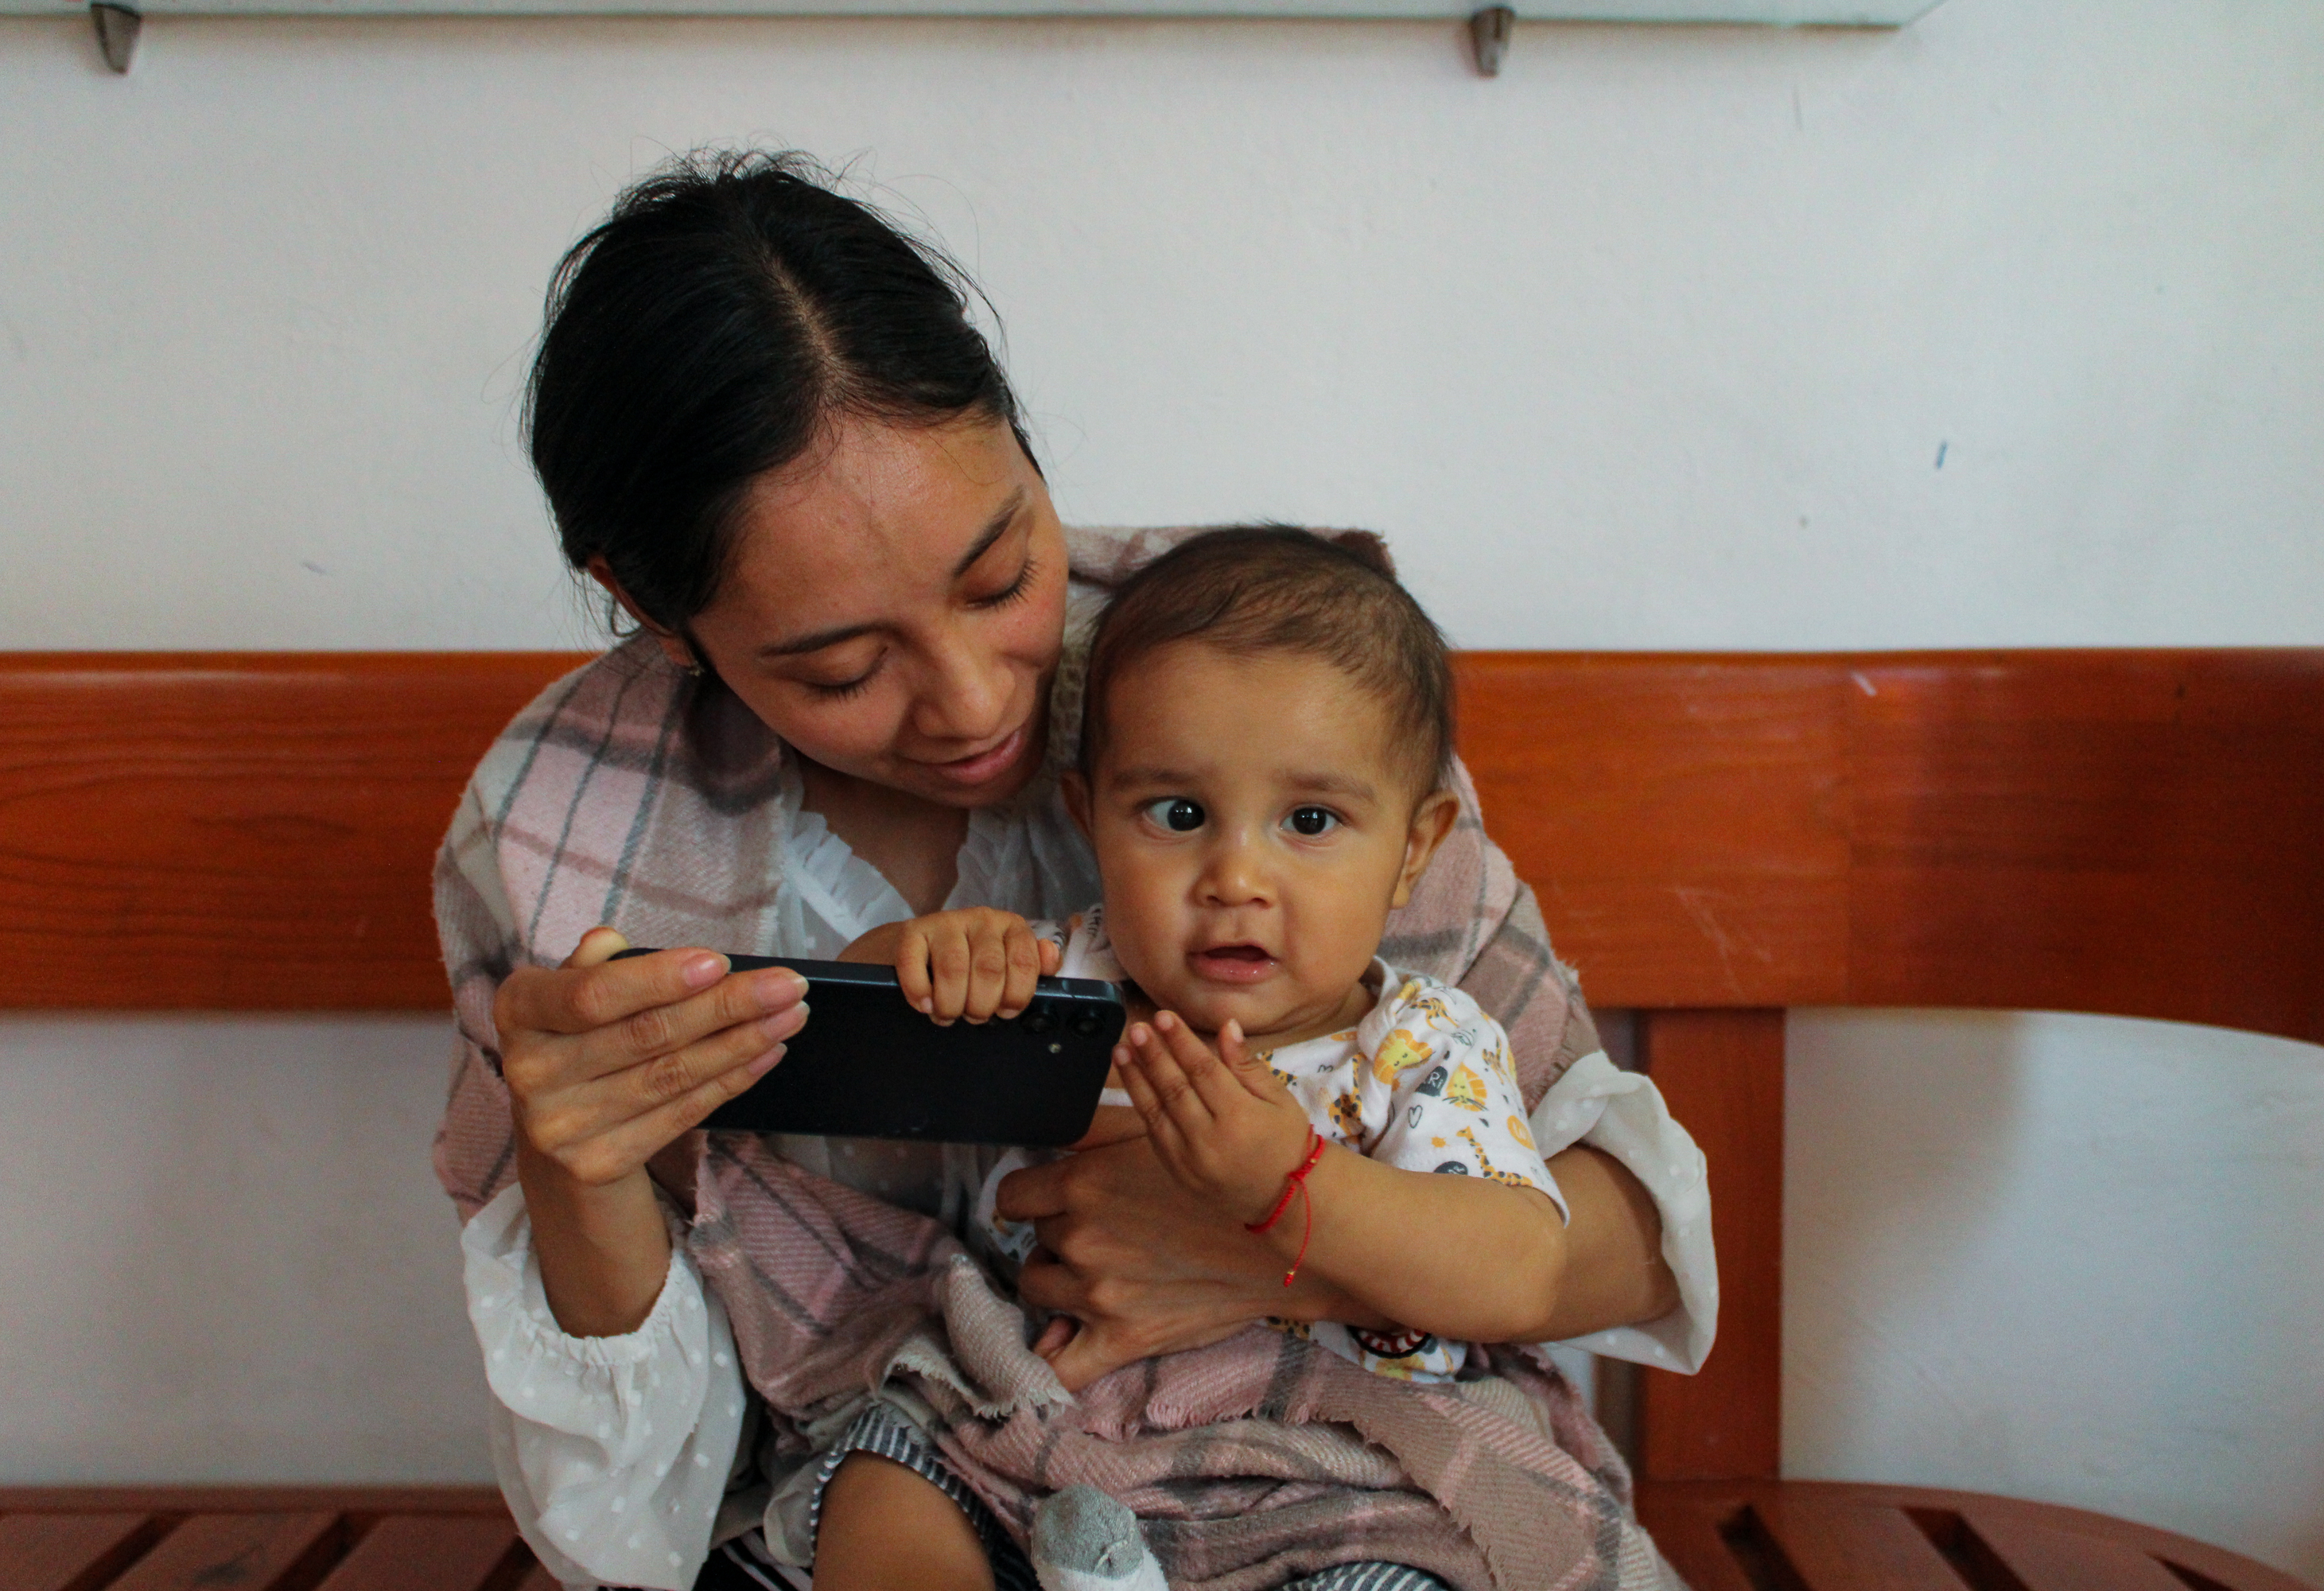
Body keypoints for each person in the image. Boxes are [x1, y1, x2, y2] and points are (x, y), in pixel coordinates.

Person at [434, 150, 1716, 1591]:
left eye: (1001, 579)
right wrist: (580, 1163)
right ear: (653, 613)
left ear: (1026, 448)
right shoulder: (569, 831)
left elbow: (1602, 1235)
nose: (977, 701)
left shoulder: (1269, 690)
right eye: (843, 668)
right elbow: (636, 1505)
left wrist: (1280, 1245)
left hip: (1324, 1458)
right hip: (949, 1442)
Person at [838, 527, 1599, 1591]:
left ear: (1414, 850)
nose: (1235, 877)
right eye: (1179, 814)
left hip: (1329, 1476)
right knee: (882, 1473)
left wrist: (1294, 1183)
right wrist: (926, 958)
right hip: (1043, 1443)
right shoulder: (1067, 983)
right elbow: (863, 1035)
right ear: (1090, 818)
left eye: (1310, 819)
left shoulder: (1420, 1044)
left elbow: (1519, 1273)